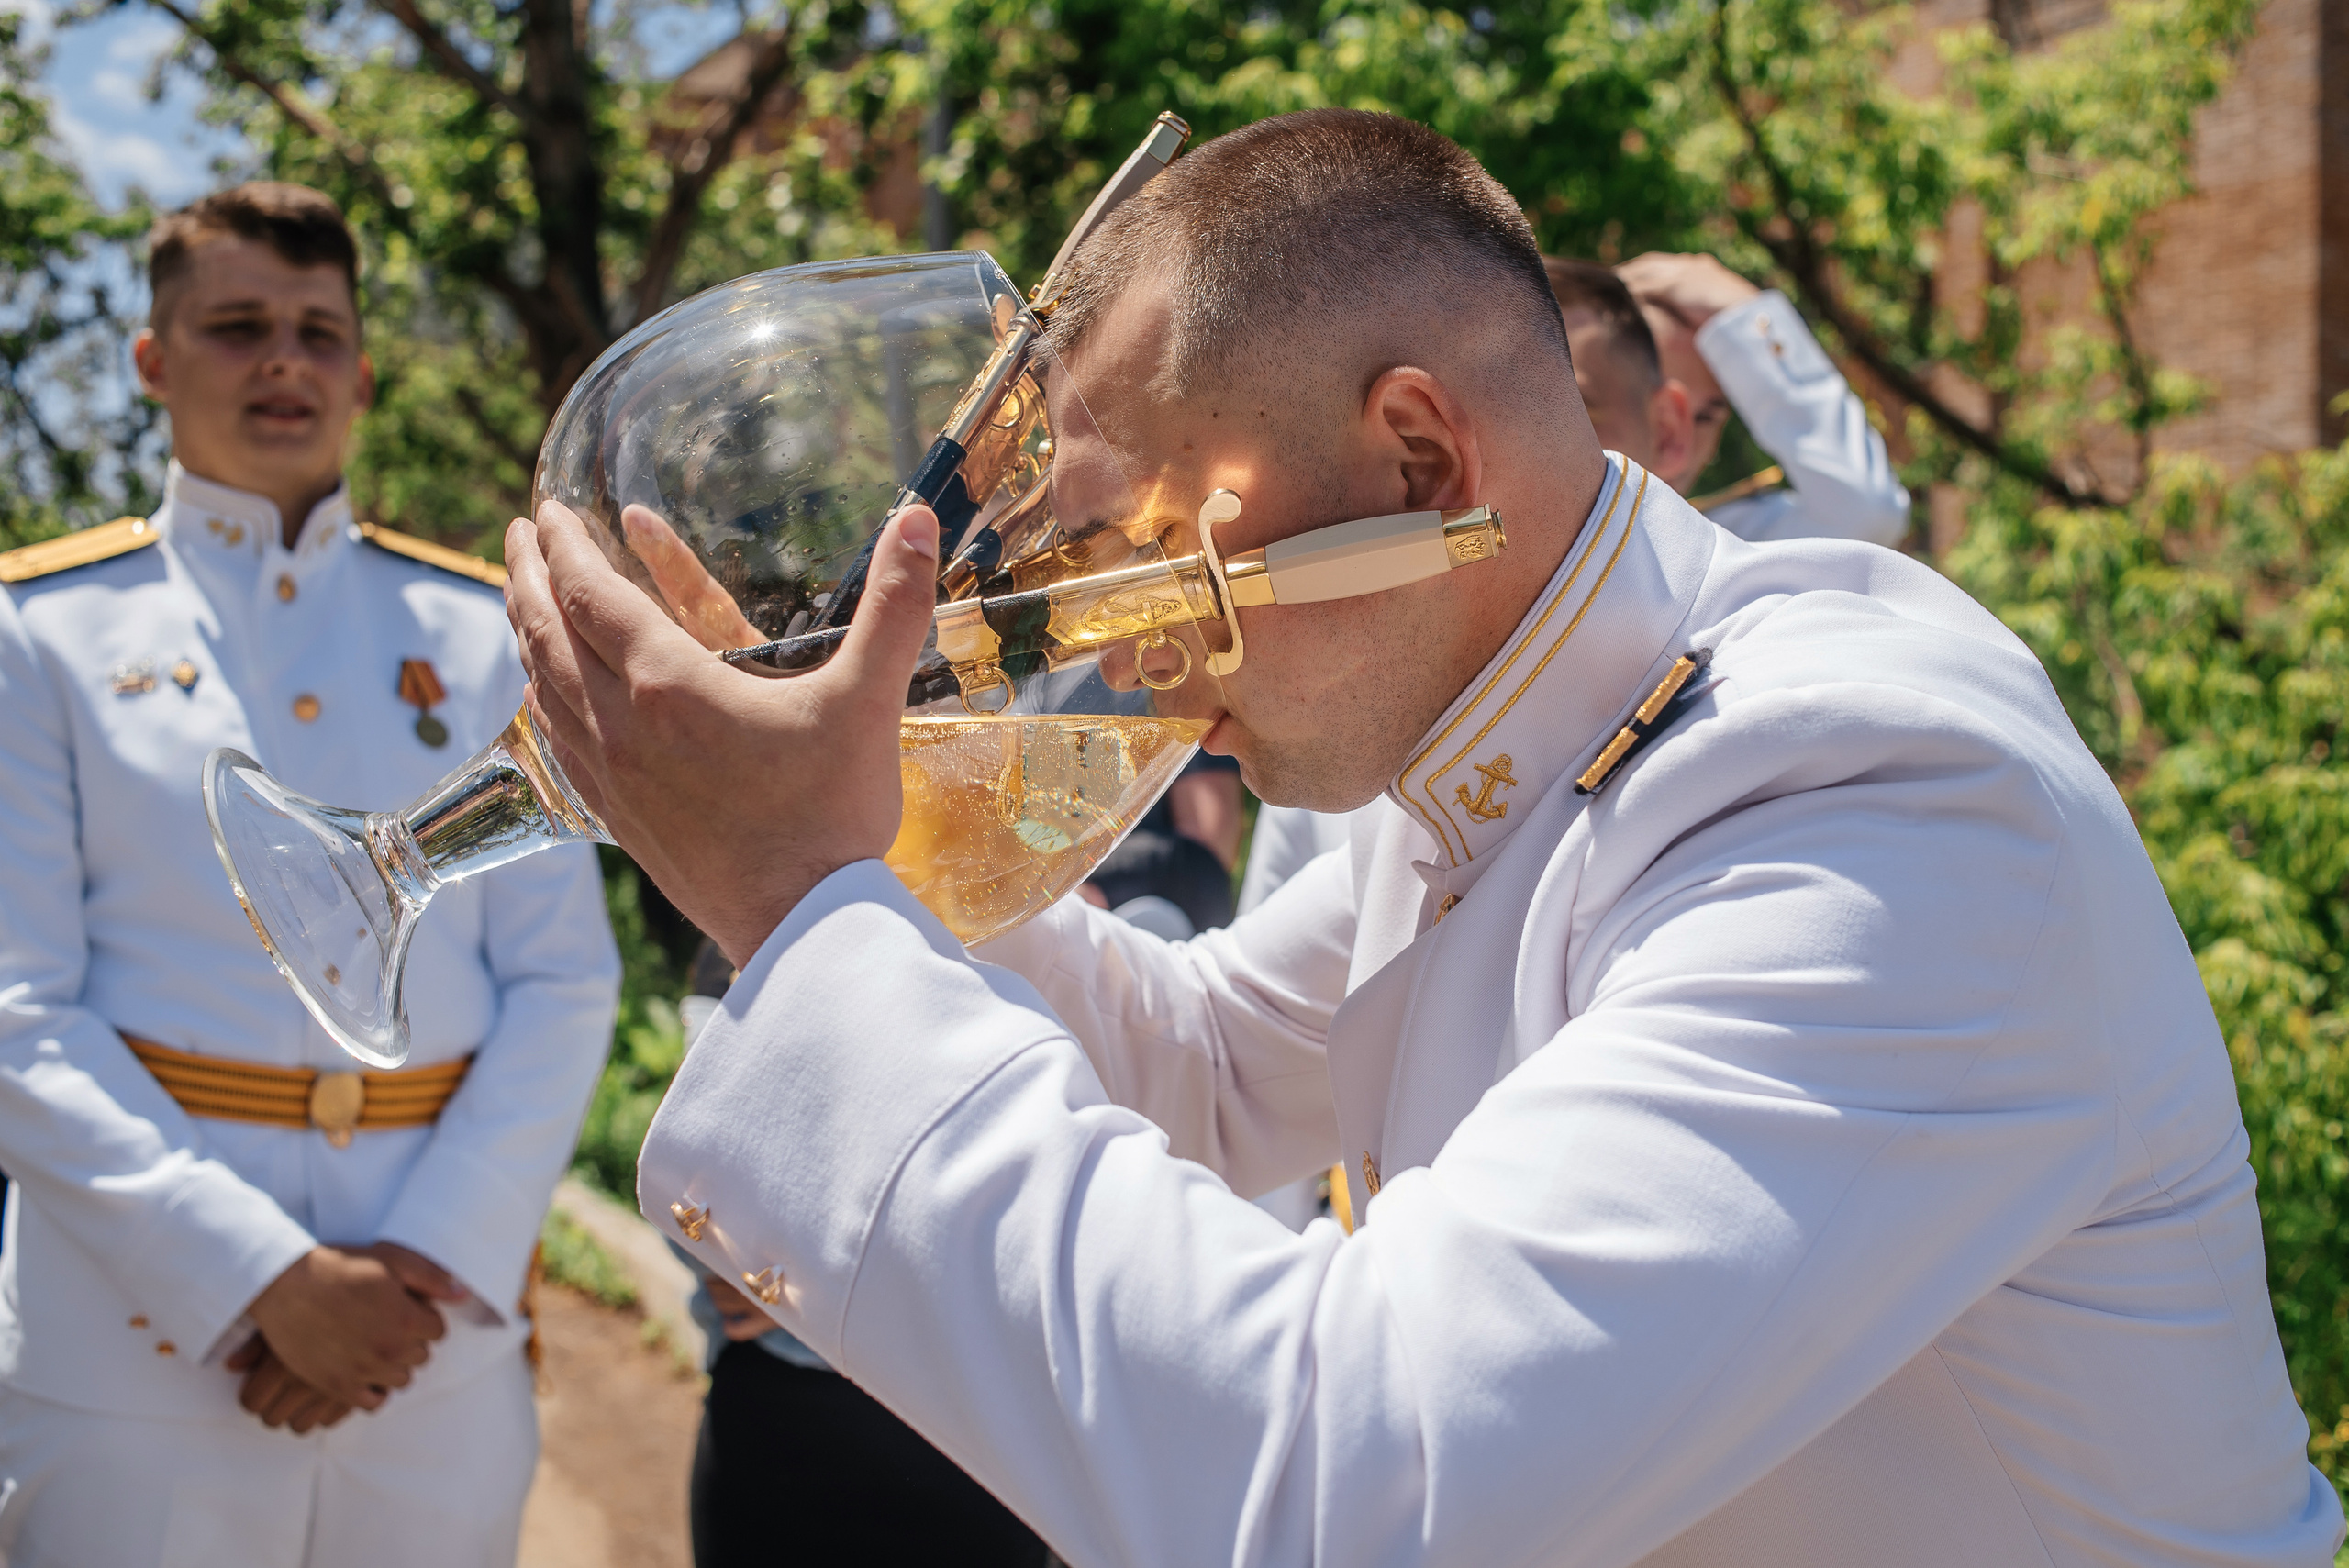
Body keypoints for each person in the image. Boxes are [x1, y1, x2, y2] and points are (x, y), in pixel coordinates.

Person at [503, 109, 2340, 1566]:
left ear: (1413, 460)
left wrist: (802, 902)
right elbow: (1206, 1068)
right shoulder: (1499, 744)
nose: (1116, 645)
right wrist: (827, 826)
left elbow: (1349, 1492)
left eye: (1153, 558)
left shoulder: (1864, 797)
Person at [0, 183, 619, 1566]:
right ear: (154, 363)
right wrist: (257, 1278)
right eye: (235, 326)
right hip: (138, 1351)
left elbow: (564, 977)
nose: (284, 360)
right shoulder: (38, 632)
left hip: (431, 1355)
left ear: (363, 372)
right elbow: (15, 1011)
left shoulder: (476, 630)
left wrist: (427, 1269)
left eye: (317, 331)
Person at [669, 940, 1050, 1568]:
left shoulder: (1026, 910)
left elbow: (1037, 1225)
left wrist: (803, 1274)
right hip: (777, 1434)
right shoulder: (737, 923)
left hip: (971, 1459)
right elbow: (689, 1183)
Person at [1613, 250, 1910, 546]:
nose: (1677, 445)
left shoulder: (1717, 548)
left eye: (1705, 417)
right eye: (1657, 411)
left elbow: (1865, 516)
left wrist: (1751, 317)